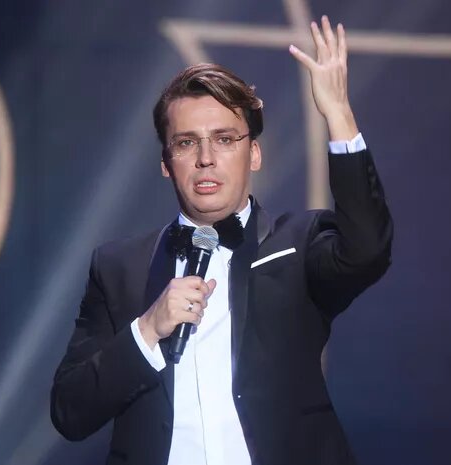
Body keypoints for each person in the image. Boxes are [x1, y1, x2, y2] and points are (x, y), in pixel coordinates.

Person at [51, 15, 393, 465]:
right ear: (166, 164)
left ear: (254, 153)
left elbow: (368, 249)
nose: (206, 158)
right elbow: (70, 411)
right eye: (186, 143)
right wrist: (147, 330)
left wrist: (339, 115)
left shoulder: (297, 244)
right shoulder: (119, 267)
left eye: (225, 139)